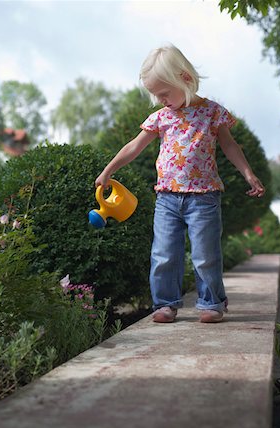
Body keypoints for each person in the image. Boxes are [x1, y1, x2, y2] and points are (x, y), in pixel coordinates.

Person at [95, 44, 265, 324]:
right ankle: (164, 304)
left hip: (204, 198)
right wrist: (108, 170)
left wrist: (248, 173)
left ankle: (211, 303)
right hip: (167, 199)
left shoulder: (212, 112)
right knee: (163, 254)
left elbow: (230, 146)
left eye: (164, 93)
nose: (160, 100)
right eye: (156, 95)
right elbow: (133, 147)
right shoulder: (161, 118)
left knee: (206, 254)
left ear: (185, 79)